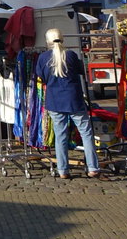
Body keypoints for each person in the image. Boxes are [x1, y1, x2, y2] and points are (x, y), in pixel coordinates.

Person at [35, 27, 102, 179]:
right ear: (62, 39)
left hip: (55, 100)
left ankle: (63, 170)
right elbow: (81, 72)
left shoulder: (43, 58)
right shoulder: (70, 55)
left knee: (61, 136)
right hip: (74, 100)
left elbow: (42, 78)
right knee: (86, 133)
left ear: (47, 42)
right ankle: (93, 167)